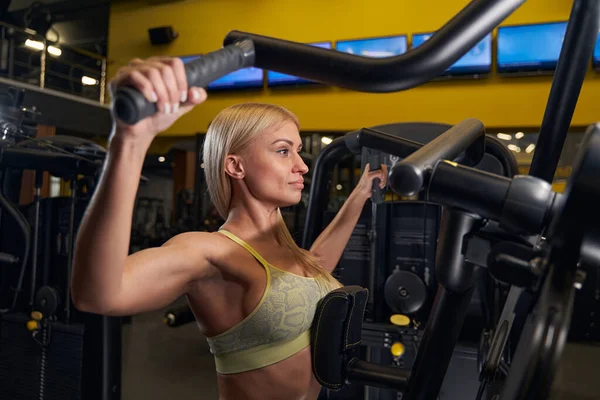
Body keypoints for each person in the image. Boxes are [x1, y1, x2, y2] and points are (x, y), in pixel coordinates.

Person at [71, 56, 388, 400]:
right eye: (283, 151)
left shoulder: (284, 252)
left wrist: (358, 197)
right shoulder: (211, 252)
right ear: (235, 166)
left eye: (297, 151)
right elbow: (97, 294)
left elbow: (314, 266)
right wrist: (130, 141)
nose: (302, 166)